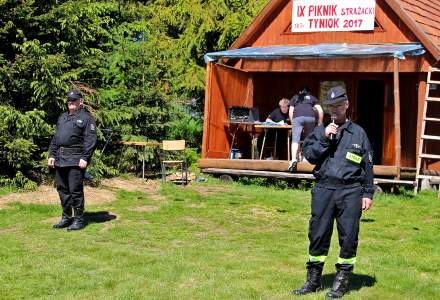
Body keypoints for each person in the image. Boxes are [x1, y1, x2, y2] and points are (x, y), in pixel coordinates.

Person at [292, 85, 374, 298]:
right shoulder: (320, 131)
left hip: (351, 192)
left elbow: (367, 165)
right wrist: (324, 137)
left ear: (346, 105)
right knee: (318, 235)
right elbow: (309, 156)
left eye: (338, 106)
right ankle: (313, 280)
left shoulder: (359, 133)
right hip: (324, 189)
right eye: (330, 107)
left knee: (348, 237)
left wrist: (367, 193)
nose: (334, 111)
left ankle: (342, 281)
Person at [48, 90, 97, 231]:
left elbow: (90, 140)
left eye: (74, 100)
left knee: (75, 190)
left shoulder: (87, 118)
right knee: (62, 189)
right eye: (69, 100)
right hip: (60, 159)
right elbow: (56, 138)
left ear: (80, 102)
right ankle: (66, 217)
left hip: (76, 159)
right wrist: (51, 155)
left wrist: (85, 158)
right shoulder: (63, 117)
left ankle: (79, 220)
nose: (70, 102)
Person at [288, 86, 323, 172]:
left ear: (299, 92)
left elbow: (290, 111)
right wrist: (320, 122)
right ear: (309, 92)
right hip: (310, 117)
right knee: (308, 138)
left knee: (295, 140)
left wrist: (293, 123)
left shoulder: (295, 98)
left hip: (297, 117)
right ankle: (305, 158)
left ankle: (293, 159)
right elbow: (320, 110)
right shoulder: (312, 98)